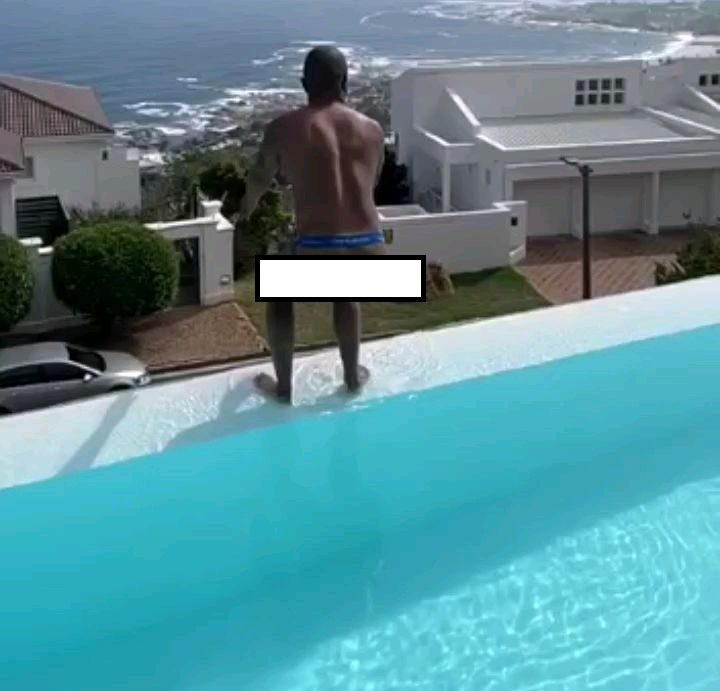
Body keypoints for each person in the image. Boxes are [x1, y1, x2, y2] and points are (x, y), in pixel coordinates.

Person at [239, 45, 386, 404]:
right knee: (345, 290)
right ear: (345, 82)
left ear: (304, 84)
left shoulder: (284, 127)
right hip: (373, 253)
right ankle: (351, 376)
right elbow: (373, 182)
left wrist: (246, 210)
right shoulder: (373, 129)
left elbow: (259, 178)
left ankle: (284, 388)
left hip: (321, 251)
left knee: (277, 293)